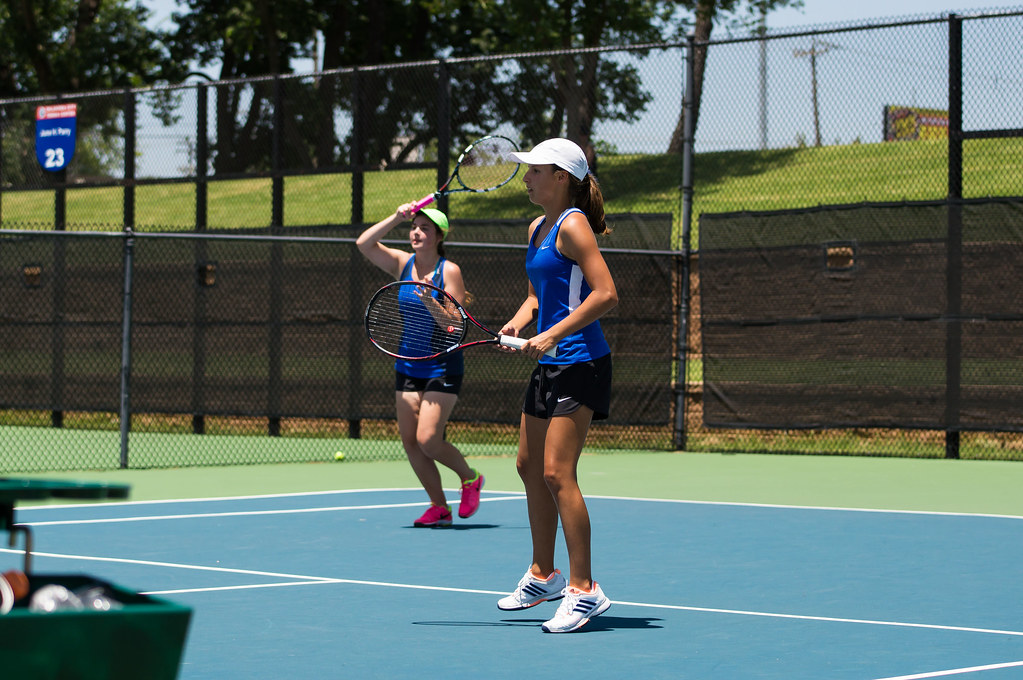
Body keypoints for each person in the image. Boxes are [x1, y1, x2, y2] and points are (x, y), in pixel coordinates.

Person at [494, 138, 618, 633]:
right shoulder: (537, 228)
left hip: (582, 362)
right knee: (527, 465)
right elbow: (536, 296)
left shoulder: (573, 225)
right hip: (550, 362)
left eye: (535, 170)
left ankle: (585, 590)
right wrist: (518, 326)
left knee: (556, 473)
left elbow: (607, 294)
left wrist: (549, 334)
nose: (526, 178)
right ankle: (543, 573)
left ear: (561, 177)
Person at [357, 203, 484, 527]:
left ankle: (470, 478)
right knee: (411, 442)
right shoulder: (402, 262)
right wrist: (396, 217)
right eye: (413, 226)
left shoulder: (449, 271)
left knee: (429, 439)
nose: (416, 232)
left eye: (425, 228)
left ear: (439, 236)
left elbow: (455, 327)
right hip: (407, 365)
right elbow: (364, 244)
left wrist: (430, 297)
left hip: (442, 366)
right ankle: (439, 507)